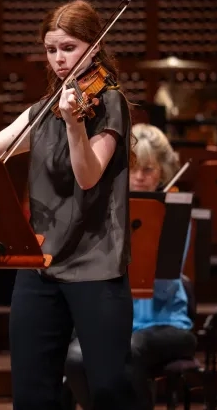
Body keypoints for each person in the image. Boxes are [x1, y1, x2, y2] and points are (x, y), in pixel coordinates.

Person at [0, 0, 137, 409]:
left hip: (96, 264)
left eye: (69, 48)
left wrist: (76, 125)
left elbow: (88, 174)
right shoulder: (44, 111)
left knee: (109, 387)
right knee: (31, 391)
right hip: (40, 265)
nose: (59, 60)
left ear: (93, 48)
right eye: (51, 50)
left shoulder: (107, 102)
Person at [64, 122, 196, 409]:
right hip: (113, 321)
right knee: (74, 357)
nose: (139, 177)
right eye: (133, 167)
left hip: (164, 324)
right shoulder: (103, 210)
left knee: (130, 349)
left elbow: (161, 287)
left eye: (148, 169)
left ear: (163, 171)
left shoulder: (174, 214)